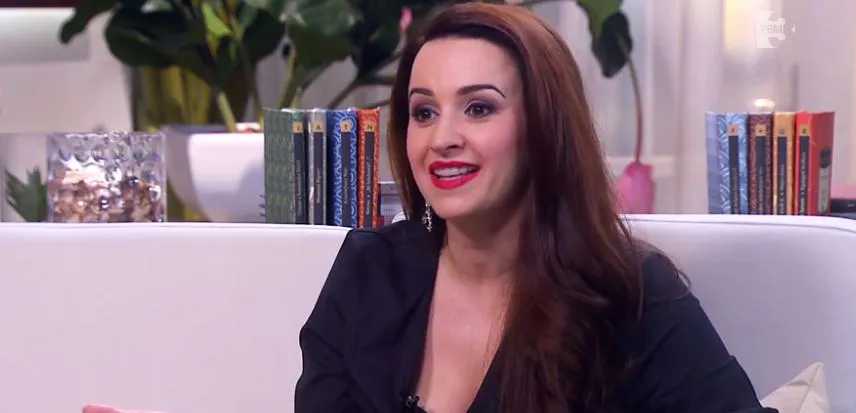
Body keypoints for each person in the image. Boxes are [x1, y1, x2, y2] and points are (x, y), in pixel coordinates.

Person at [296, 3, 776, 413]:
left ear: (544, 127)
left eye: (479, 108)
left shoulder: (629, 298)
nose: (442, 139)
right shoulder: (368, 272)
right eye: (424, 112)